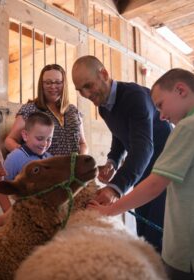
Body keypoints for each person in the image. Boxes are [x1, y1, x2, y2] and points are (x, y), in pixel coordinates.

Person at [88, 68, 194, 280]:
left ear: (180, 90)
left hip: (191, 249)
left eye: (160, 105)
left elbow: (155, 184)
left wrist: (110, 210)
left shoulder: (188, 128)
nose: (161, 116)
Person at [72, 55, 172, 252]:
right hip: (141, 172)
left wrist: (115, 188)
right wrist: (113, 161)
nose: (86, 94)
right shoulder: (103, 107)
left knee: (160, 237)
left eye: (88, 85)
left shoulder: (135, 97)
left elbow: (144, 147)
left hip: (165, 173)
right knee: (144, 236)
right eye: (80, 90)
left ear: (104, 74)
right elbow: (120, 135)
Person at [5, 64, 88, 156]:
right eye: (48, 82)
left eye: (57, 82)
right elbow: (9, 141)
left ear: (64, 84)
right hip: (44, 168)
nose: (53, 86)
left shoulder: (73, 111)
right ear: (42, 85)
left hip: (72, 168)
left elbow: (82, 143)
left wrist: (82, 158)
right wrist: (29, 158)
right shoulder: (29, 109)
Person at [0, 112, 54, 211]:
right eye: (39, 138)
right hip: (25, 211)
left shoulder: (50, 158)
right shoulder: (15, 158)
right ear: (25, 135)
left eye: (49, 139)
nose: (45, 144)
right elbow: (0, 188)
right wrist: (9, 212)